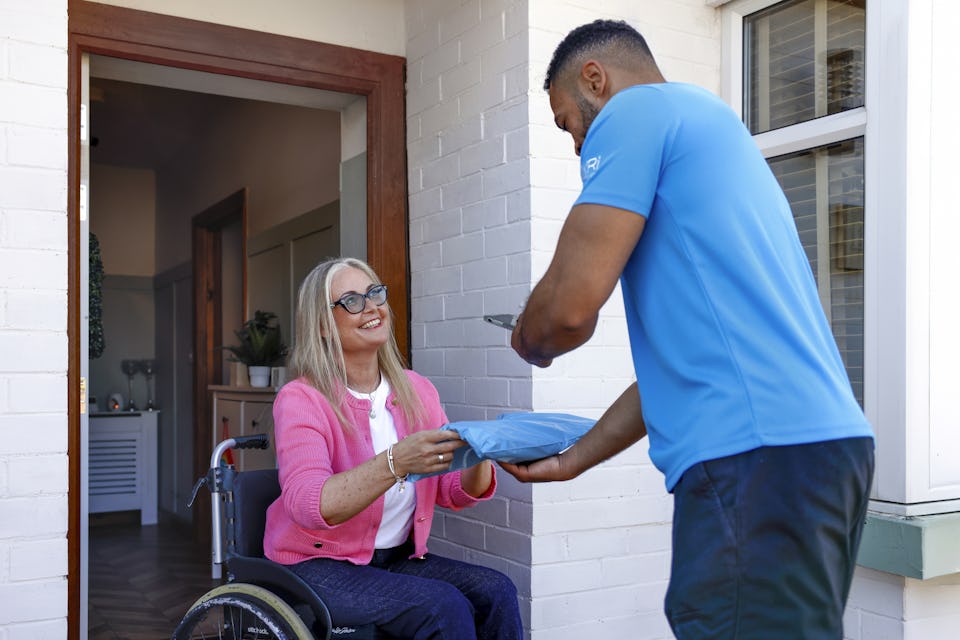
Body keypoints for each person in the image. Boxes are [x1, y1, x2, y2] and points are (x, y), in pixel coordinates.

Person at [500, 19, 875, 640]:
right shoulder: (711, 126)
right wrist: (574, 460)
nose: (575, 148)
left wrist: (525, 336)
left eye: (570, 123)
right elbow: (681, 370)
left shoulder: (634, 114)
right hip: (814, 452)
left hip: (756, 459)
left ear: (596, 79)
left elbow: (564, 315)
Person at [263, 257, 523, 640]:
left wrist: (481, 453)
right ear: (322, 324)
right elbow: (307, 504)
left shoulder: (416, 390)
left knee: (497, 591)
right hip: (316, 564)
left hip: (395, 559)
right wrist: (396, 461)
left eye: (374, 293)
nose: (371, 307)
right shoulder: (302, 398)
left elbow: (451, 491)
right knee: (442, 606)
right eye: (351, 300)